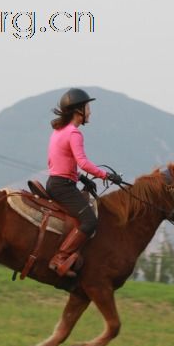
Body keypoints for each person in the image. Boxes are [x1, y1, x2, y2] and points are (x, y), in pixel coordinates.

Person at [46, 88, 122, 277]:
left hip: (56, 182)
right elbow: (83, 162)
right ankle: (60, 258)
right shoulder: (74, 133)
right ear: (78, 110)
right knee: (89, 221)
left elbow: (58, 162)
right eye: (88, 107)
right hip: (63, 186)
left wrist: (80, 177)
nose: (90, 111)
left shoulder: (59, 131)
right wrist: (107, 176)